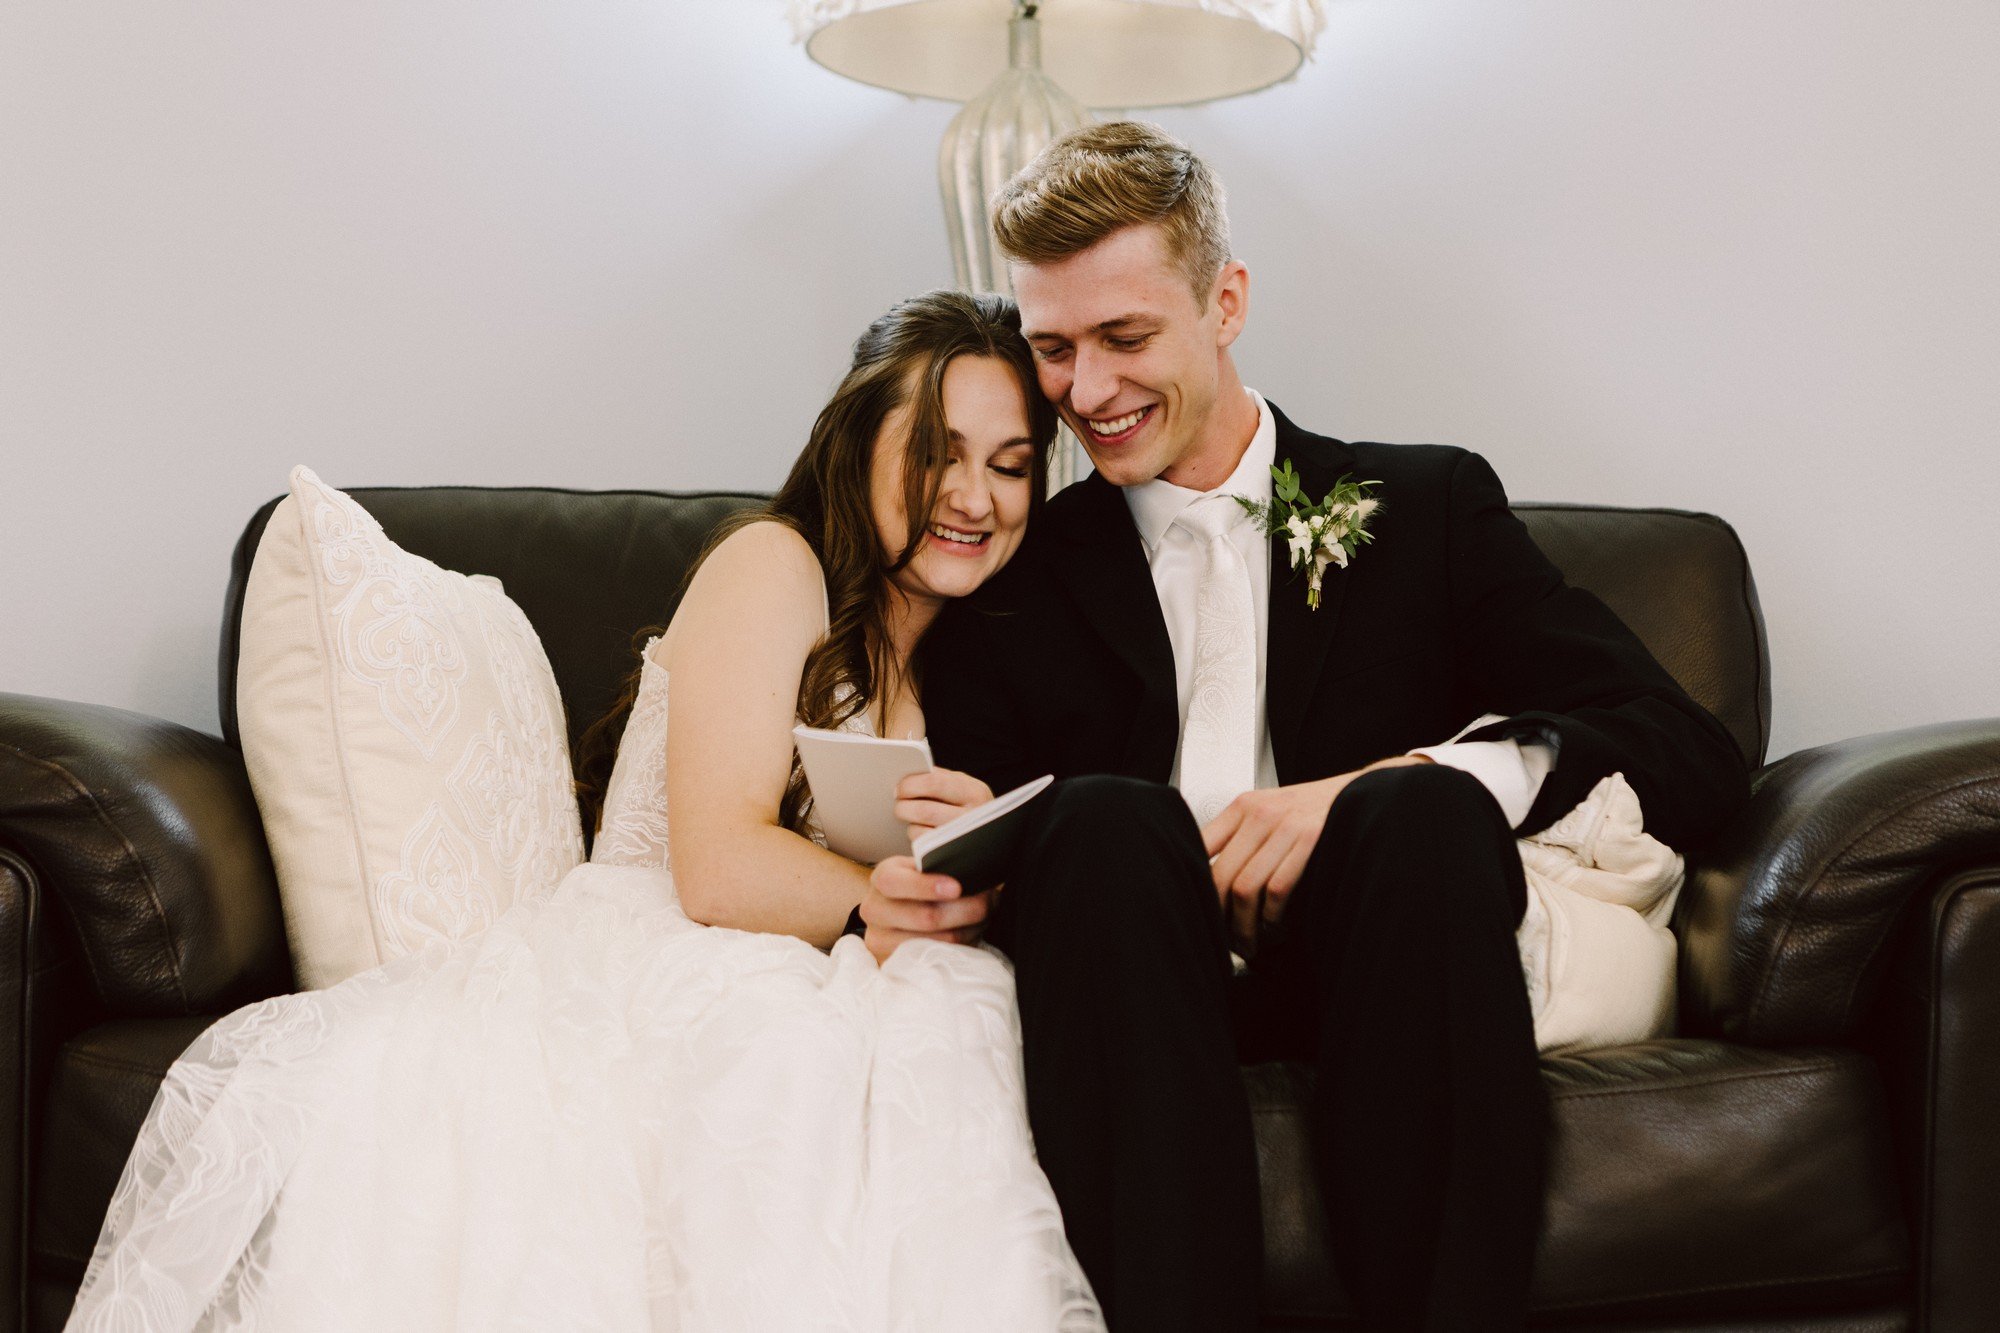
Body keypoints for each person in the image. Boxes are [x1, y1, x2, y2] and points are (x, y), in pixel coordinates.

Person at [66, 291, 1105, 1332]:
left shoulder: (964, 651)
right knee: (799, 1074)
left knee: (949, 1033)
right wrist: (882, 901)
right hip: (661, 944)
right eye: (938, 453)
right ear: (856, 442)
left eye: (1010, 465)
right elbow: (717, 862)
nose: (972, 495)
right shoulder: (772, 563)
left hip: (822, 954)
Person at [861, 124, 1752, 1331]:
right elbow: (992, 835)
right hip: (1131, 992)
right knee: (1102, 823)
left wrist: (1402, 771)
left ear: (1224, 301)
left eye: (1126, 337)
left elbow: (1682, 745)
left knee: (1419, 808)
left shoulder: (1425, 506)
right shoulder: (1013, 570)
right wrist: (962, 848)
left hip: (1385, 968)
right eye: (1054, 349)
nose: (1088, 392)